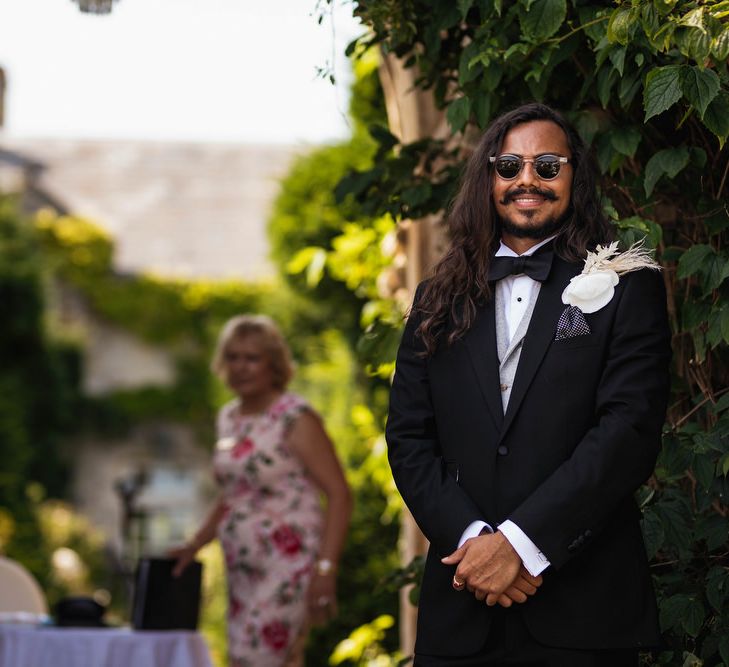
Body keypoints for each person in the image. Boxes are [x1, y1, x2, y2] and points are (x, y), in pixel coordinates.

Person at [386, 103, 671, 666]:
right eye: (509, 164)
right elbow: (408, 437)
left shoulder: (624, 285)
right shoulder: (436, 299)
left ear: (575, 178)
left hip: (583, 613)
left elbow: (627, 432)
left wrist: (521, 545)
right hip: (462, 612)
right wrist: (474, 543)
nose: (526, 180)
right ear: (488, 177)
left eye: (547, 166)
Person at [171, 314, 352, 667]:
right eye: (233, 357)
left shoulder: (294, 417)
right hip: (241, 568)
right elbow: (233, 493)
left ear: (274, 364)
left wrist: (326, 570)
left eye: (252, 358)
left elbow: (340, 494)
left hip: (288, 565)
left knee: (257, 657)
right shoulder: (228, 418)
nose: (241, 367)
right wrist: (195, 545)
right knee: (253, 658)